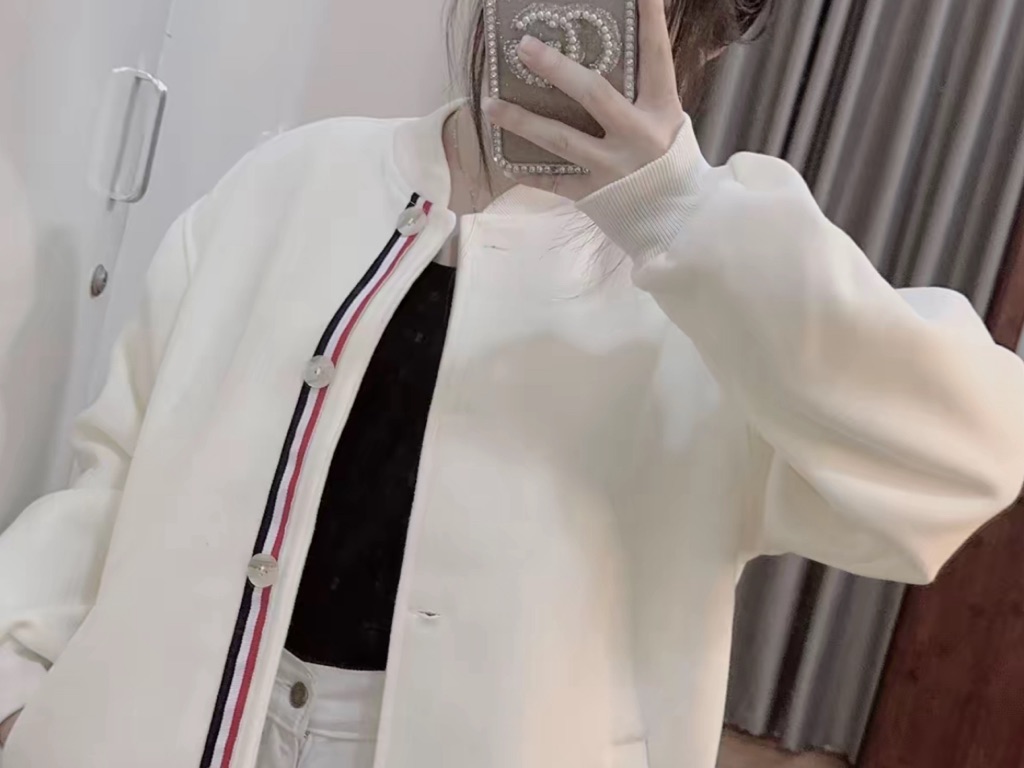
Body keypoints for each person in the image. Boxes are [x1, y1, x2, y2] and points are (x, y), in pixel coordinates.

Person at [1, 0, 1023, 766]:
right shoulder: (289, 185)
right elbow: (113, 480)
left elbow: (967, 460)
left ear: (702, 25)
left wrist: (677, 213)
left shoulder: (729, 282)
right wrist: (18, 686)